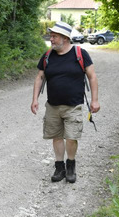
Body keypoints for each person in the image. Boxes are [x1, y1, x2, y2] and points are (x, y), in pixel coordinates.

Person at [31, 21, 100, 183]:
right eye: (51, 36)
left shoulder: (80, 54)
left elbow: (92, 77)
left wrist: (95, 100)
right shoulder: (48, 56)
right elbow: (40, 77)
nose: (51, 39)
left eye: (54, 36)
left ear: (65, 38)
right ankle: (59, 166)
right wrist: (35, 99)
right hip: (52, 106)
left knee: (71, 137)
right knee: (56, 137)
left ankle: (71, 164)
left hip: (73, 105)